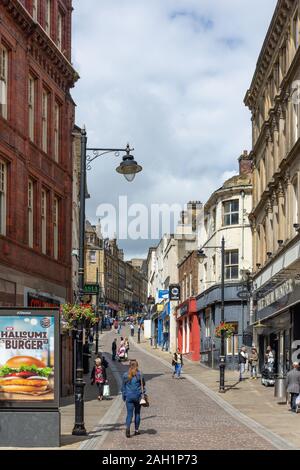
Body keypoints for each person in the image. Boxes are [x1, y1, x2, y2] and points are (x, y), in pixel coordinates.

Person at [122, 359, 146, 438]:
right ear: (137, 366)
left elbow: (123, 387)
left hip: (129, 397)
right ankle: (136, 430)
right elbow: (143, 385)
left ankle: (128, 428)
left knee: (129, 414)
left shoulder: (125, 375)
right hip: (138, 396)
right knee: (137, 413)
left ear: (129, 366)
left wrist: (124, 396)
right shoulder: (139, 375)